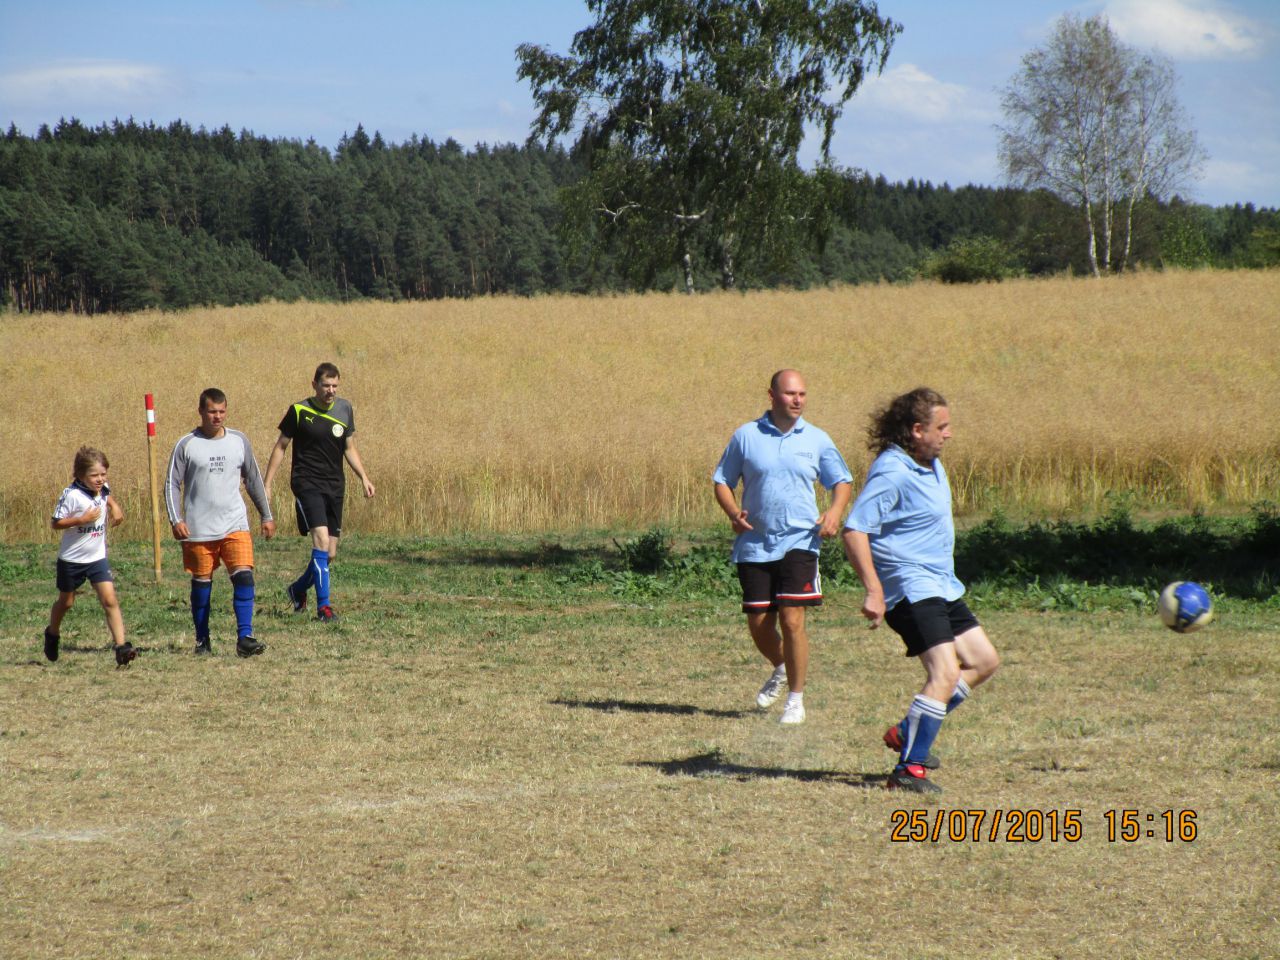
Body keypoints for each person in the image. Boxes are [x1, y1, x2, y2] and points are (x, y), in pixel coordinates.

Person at [842, 387, 1000, 794]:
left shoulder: (930, 463)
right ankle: (908, 770)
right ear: (916, 430)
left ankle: (908, 730)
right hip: (910, 587)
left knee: (984, 661)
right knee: (944, 673)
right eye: (941, 427)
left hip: (940, 584)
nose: (948, 434)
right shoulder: (893, 471)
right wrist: (874, 590)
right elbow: (855, 529)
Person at [713, 369, 853, 725]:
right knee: (759, 623)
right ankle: (781, 666)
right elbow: (722, 481)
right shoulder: (746, 436)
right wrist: (733, 513)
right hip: (755, 543)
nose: (797, 400)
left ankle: (795, 700)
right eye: (791, 393)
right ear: (772, 395)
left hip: (801, 540)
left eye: (802, 394)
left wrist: (834, 513)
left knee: (792, 620)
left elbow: (841, 481)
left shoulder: (817, 439)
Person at [165, 388, 275, 657]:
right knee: (202, 583)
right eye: (212, 411)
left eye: (222, 411)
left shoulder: (239, 440)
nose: (217, 417)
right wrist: (176, 519)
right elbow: (171, 484)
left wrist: (266, 515)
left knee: (244, 576)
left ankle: (245, 638)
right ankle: (202, 640)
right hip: (199, 529)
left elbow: (253, 479)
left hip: (235, 524)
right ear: (201, 412)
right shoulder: (186, 444)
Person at [264, 362, 375, 622]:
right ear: (314, 385)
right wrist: (267, 483)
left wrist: (364, 477)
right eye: (326, 385)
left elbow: (348, 447)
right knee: (321, 542)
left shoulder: (345, 409)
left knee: (330, 554)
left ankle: (298, 589)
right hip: (307, 482)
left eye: (335, 386)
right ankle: (324, 608)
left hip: (334, 485)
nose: (331, 391)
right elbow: (281, 446)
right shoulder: (299, 411)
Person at [44, 446, 136, 668]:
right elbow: (56, 523)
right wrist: (81, 520)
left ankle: (122, 648)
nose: (100, 479)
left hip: (96, 558)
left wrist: (115, 507)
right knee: (66, 602)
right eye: (94, 475)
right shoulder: (72, 495)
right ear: (80, 475)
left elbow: (106, 495)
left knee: (109, 600)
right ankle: (52, 633)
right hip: (72, 560)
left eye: (103, 474)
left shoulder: (102, 488)